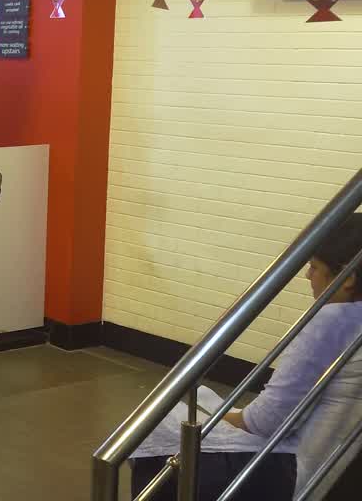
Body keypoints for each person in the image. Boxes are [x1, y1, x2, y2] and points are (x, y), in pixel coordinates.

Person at [130, 214, 362, 501]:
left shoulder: (329, 326)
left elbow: (264, 421)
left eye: (314, 267)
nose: (307, 276)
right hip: (341, 462)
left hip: (292, 471)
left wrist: (216, 417)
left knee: (157, 422)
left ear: (347, 278)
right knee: (194, 404)